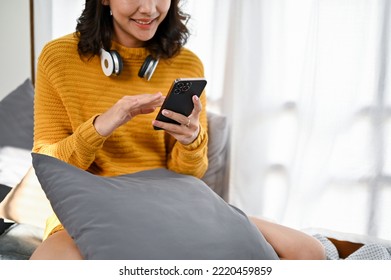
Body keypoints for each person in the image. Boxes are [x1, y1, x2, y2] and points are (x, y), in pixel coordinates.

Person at [30, 0, 325, 260]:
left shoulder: (187, 63)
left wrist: (191, 141)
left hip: (171, 200)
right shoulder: (58, 57)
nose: (149, 8)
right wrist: (102, 125)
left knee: (309, 251)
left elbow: (190, 174)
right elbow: (50, 165)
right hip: (94, 204)